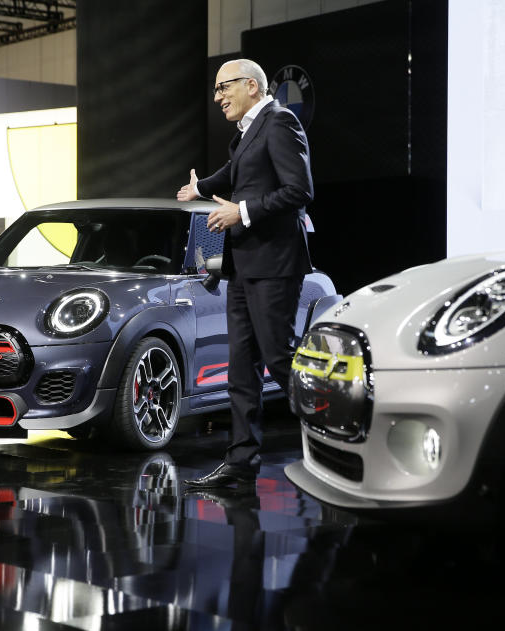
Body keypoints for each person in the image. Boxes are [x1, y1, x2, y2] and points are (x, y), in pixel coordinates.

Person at [178, 58, 313, 489]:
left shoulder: (280, 122)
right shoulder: (248, 131)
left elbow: (299, 191)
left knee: (280, 358)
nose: (218, 97)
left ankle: (342, 437)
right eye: (216, 90)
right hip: (243, 265)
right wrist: (200, 188)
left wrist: (243, 211)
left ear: (252, 86)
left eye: (225, 87)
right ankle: (240, 462)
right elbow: (236, 174)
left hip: (275, 263)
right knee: (242, 368)